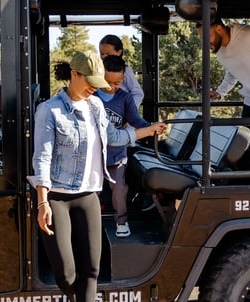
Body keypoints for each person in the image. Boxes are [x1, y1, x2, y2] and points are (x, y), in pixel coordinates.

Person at [32, 51, 165, 302]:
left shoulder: (96, 106)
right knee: (68, 276)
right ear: (74, 74)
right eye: (91, 81)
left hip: (89, 195)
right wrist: (42, 203)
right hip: (57, 199)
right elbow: (42, 158)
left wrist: (147, 130)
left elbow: (114, 138)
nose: (96, 88)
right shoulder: (49, 111)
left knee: (92, 270)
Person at [96, 55, 151, 238]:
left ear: (123, 79)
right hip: (94, 154)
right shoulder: (92, 96)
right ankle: (91, 222)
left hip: (116, 153)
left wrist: (150, 128)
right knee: (91, 189)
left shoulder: (125, 98)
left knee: (119, 186)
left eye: (117, 83)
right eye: (107, 83)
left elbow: (135, 119)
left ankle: (121, 221)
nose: (111, 88)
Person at [99, 34, 144, 108]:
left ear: (119, 52)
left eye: (108, 54)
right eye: (102, 54)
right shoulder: (99, 69)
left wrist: (129, 112)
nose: (104, 56)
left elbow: (138, 93)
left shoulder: (126, 70)